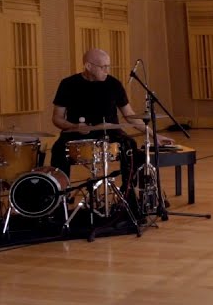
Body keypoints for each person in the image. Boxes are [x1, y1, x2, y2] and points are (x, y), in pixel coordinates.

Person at [50, 49, 171, 206]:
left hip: (110, 133)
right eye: (103, 67)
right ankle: (61, 196)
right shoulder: (68, 84)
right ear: (88, 66)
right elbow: (57, 118)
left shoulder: (114, 84)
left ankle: (127, 193)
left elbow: (130, 115)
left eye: (108, 66)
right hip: (77, 133)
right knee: (58, 149)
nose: (107, 70)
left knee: (131, 147)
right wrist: (74, 126)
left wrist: (154, 135)